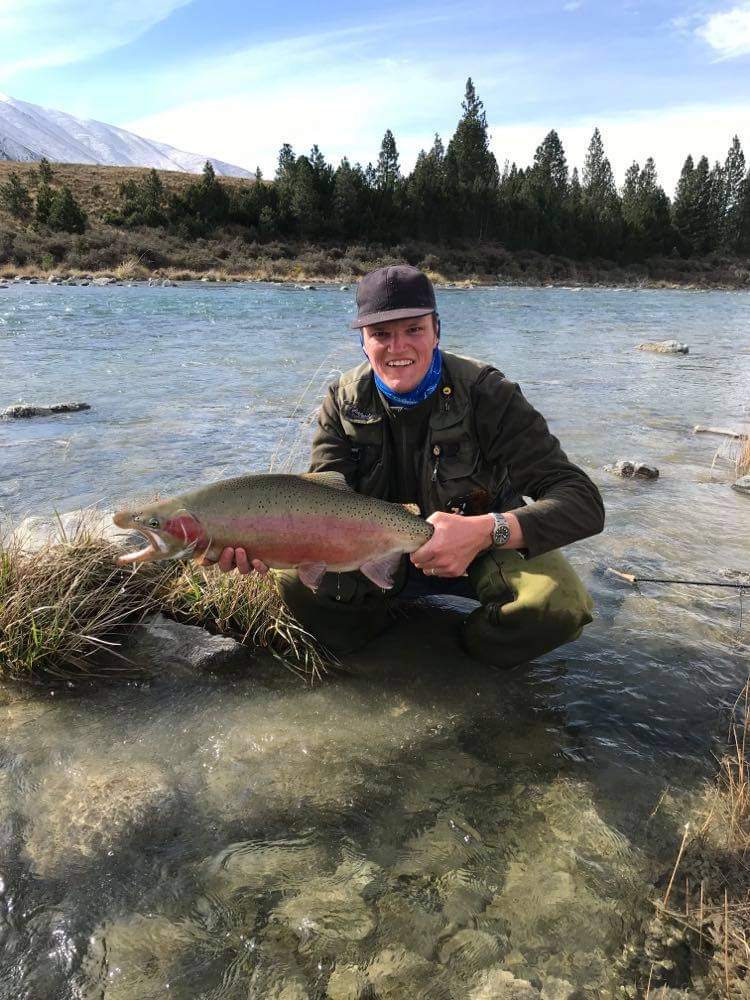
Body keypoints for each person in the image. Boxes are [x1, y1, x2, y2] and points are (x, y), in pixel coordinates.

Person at [217, 265, 604, 669]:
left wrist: (487, 530)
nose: (397, 347)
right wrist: (261, 542)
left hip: (483, 548)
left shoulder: (488, 393)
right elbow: (321, 502)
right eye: (381, 334)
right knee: (296, 583)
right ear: (363, 342)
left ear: (437, 330)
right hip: (372, 551)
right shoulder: (343, 401)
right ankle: (377, 653)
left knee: (558, 605)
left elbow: (583, 502)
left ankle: (465, 660)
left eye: (414, 329)